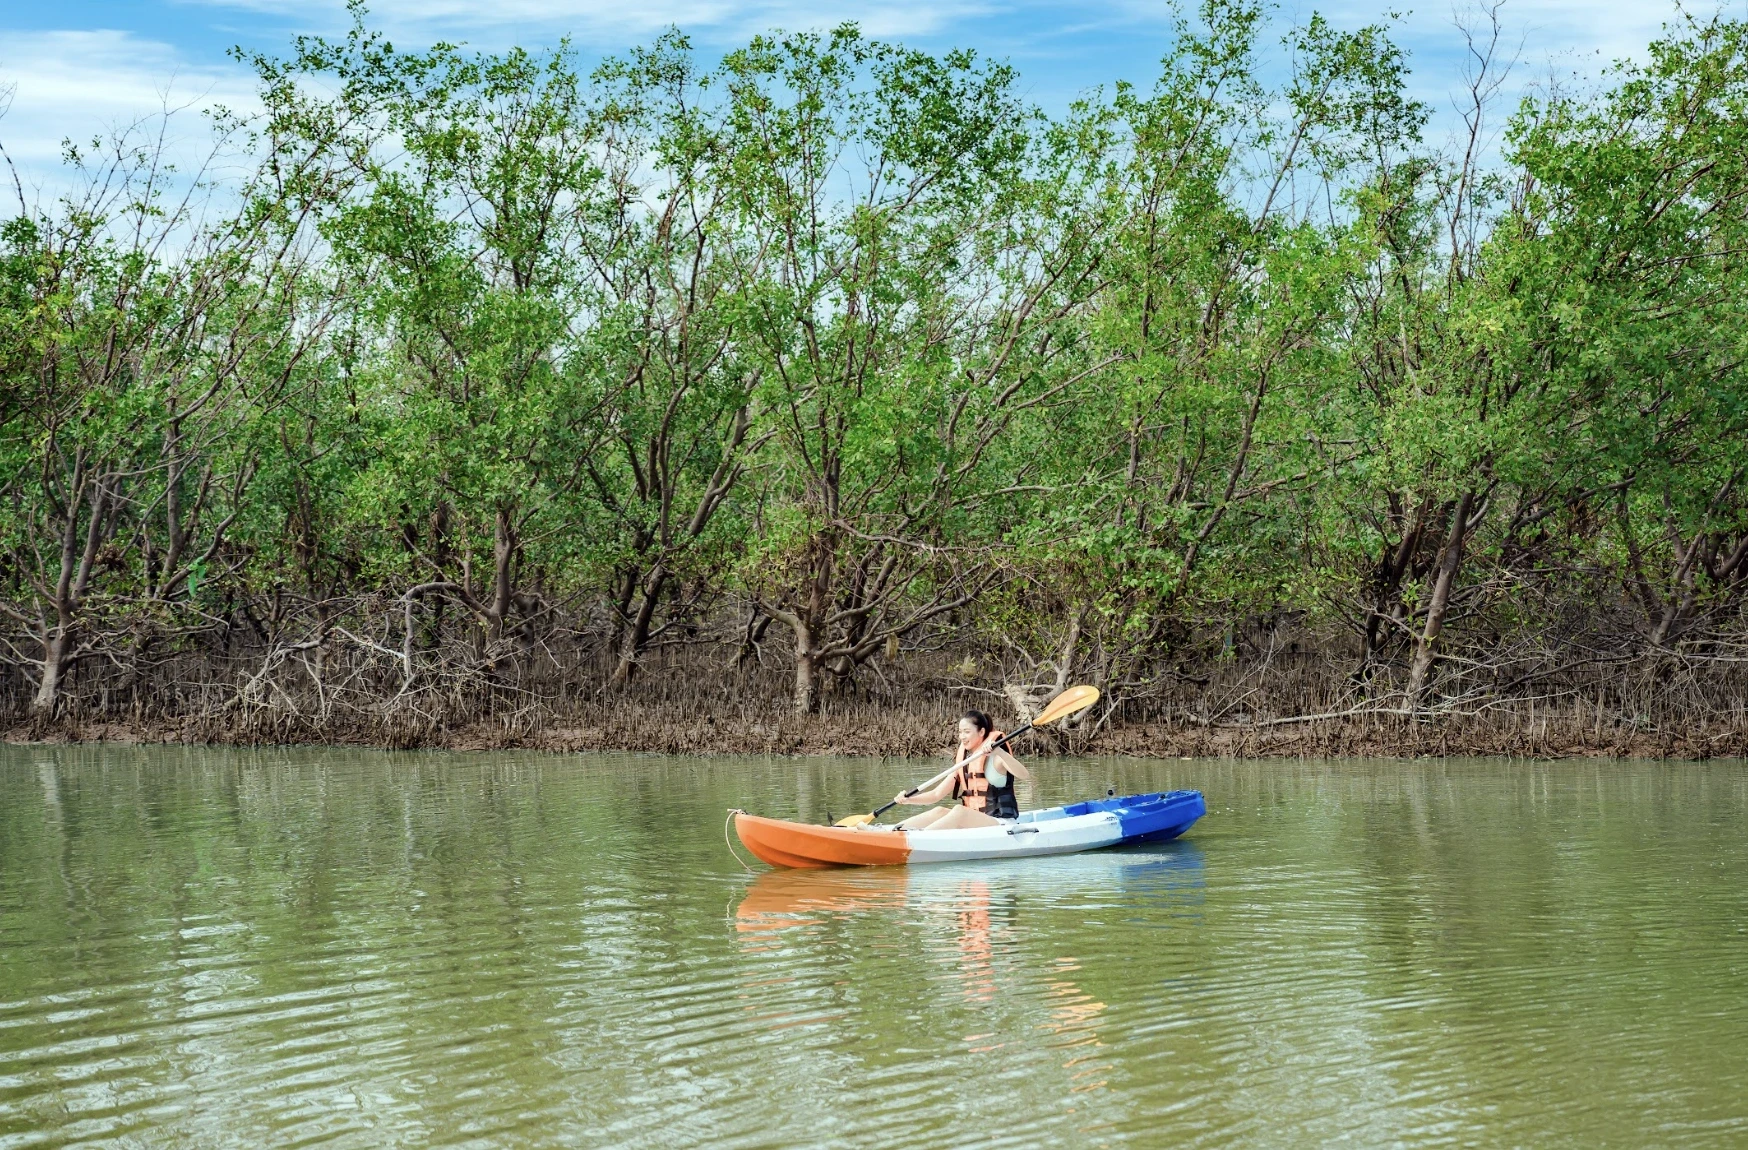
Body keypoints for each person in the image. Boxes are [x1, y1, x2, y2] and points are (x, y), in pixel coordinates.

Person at [891, 710, 1030, 831]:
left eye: (967, 732)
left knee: (959, 811)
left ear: (981, 732)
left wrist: (1000, 752)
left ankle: (917, 839)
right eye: (960, 732)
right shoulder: (965, 761)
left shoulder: (997, 757)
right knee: (939, 811)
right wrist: (908, 800)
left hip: (1001, 823)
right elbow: (936, 794)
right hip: (976, 822)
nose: (962, 736)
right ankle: (895, 832)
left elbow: (1024, 775)